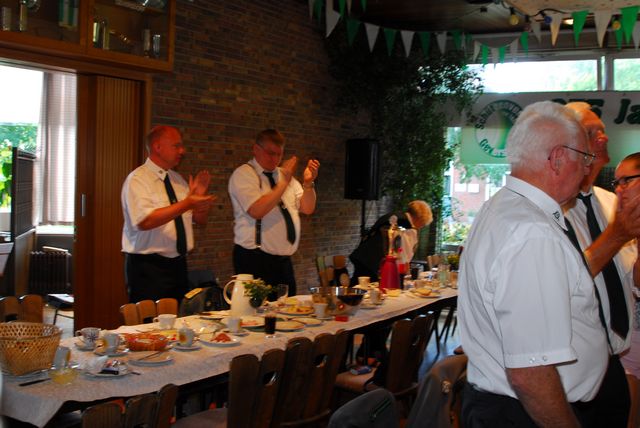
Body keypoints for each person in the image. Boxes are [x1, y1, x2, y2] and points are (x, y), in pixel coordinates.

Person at [459, 101, 608, 427]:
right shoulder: (533, 232)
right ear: (558, 158)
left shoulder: (503, 207)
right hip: (526, 413)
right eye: (584, 158)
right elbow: (530, 373)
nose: (587, 169)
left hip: (506, 407)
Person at [564, 102, 640, 426]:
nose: (604, 137)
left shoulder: (612, 202)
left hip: (615, 361)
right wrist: (617, 234)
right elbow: (564, 282)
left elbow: (629, 279)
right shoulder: (552, 210)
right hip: (572, 367)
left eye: (603, 130)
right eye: (593, 131)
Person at [122, 126, 216, 303]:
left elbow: (199, 220)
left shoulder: (177, 180)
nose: (182, 151)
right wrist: (187, 203)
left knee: (178, 318)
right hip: (148, 268)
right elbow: (144, 221)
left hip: (178, 266)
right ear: (157, 147)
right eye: (176, 146)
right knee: (150, 319)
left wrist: (200, 202)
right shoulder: (138, 179)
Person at [228, 129, 319, 296]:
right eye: (270, 153)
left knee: (288, 309)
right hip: (254, 259)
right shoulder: (244, 174)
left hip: (283, 262)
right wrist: (283, 183)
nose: (275, 159)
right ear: (256, 149)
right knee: (259, 311)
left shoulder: (284, 176)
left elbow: (307, 208)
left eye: (279, 154)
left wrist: (308, 183)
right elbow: (257, 210)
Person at [349, 200, 433, 283]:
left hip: (363, 256)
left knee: (357, 284)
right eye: (423, 224)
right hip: (374, 264)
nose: (420, 227)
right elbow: (403, 255)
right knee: (365, 288)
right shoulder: (407, 228)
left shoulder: (396, 216)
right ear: (419, 219)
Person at [615, 153, 640, 380]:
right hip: (630, 346)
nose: (619, 189)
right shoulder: (621, 229)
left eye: (627, 181)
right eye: (617, 183)